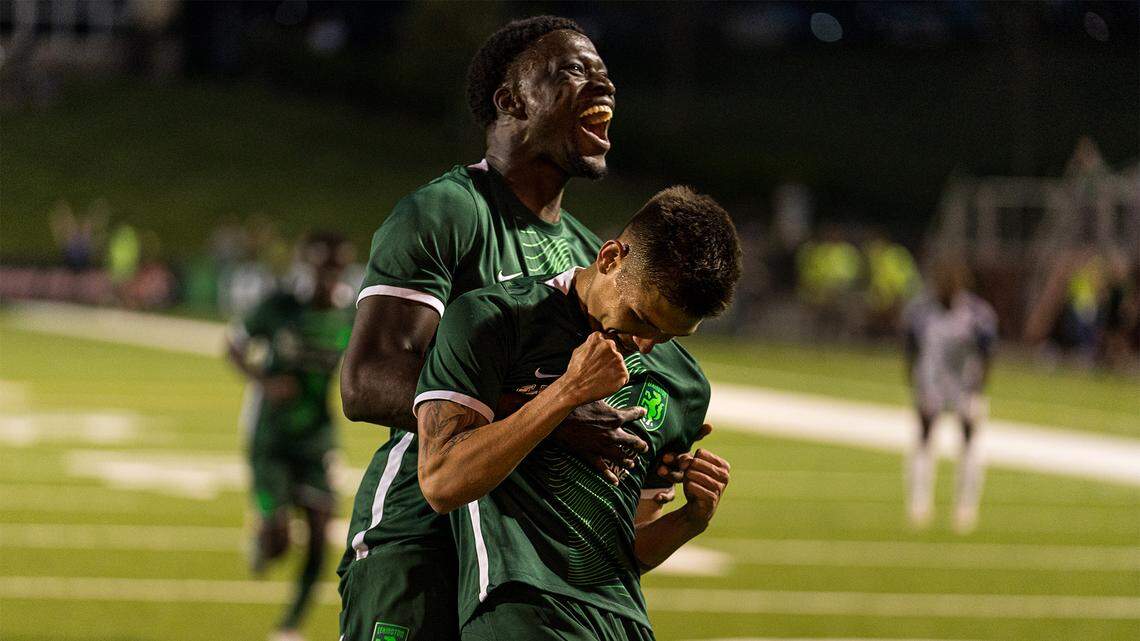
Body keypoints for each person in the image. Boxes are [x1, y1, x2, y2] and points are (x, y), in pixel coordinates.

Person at [336, 16, 699, 641]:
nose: (603, 87)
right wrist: (554, 419)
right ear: (511, 100)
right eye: (575, 73)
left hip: (527, 568)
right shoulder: (449, 211)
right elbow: (367, 380)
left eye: (606, 76)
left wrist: (647, 445)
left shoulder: (591, 255)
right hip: (419, 538)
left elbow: (598, 397)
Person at [414, 186, 740, 640]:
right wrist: (566, 393)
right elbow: (442, 482)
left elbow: (629, 550)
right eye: (642, 317)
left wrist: (689, 520)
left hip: (625, 621)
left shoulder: (685, 384)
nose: (646, 344)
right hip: (521, 607)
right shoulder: (494, 320)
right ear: (610, 258)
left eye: (670, 335)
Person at [226, 232, 357, 641]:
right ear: (307, 267)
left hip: (316, 438)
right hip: (271, 438)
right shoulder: (280, 307)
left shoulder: (349, 317)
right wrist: (263, 381)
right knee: (278, 543)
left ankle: (288, 627)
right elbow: (232, 346)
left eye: (334, 269)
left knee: (321, 535)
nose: (327, 277)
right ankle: (262, 536)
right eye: (321, 268)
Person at [902, 255, 997, 534]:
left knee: (968, 444)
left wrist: (978, 389)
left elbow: (988, 353)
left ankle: (965, 507)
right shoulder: (921, 311)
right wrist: (916, 385)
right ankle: (919, 503)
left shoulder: (977, 313)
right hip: (931, 383)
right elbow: (910, 349)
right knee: (923, 440)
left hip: (964, 385)